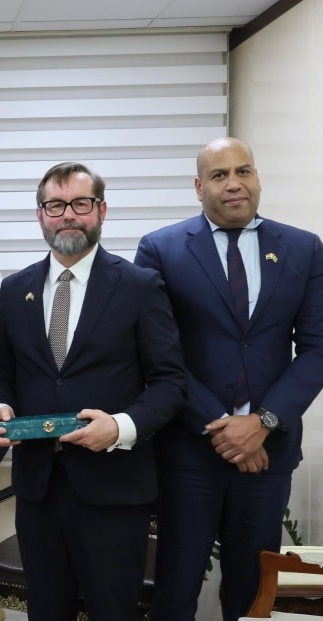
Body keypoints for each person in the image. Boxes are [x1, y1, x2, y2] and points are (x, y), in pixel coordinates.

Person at [0, 162, 187, 620]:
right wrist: (0, 405)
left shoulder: (139, 286)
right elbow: (2, 371)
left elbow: (171, 382)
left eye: (81, 203)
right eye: (56, 205)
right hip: (38, 490)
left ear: (101, 210)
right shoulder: (15, 291)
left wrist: (120, 427)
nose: (68, 215)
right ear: (40, 214)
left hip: (114, 490)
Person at [134, 137, 323, 621]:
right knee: (174, 594)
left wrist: (263, 422)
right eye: (219, 175)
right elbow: (158, 354)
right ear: (199, 187)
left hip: (267, 455)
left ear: (257, 178)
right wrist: (223, 425)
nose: (234, 184)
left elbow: (317, 349)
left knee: (252, 594)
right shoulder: (160, 249)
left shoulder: (304, 248)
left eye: (243, 171)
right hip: (188, 453)